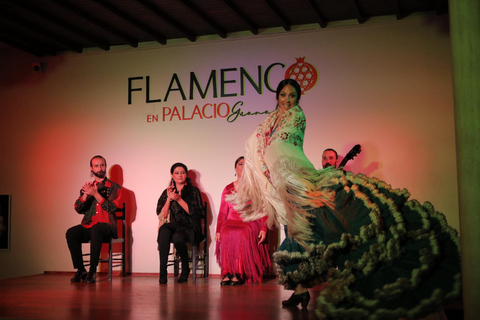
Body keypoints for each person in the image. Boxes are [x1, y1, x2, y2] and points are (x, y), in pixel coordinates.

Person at [227, 79, 461, 319]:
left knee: (320, 230)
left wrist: (288, 180)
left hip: (294, 178)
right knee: (295, 234)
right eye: (283, 95)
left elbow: (282, 146)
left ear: (298, 99)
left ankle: (360, 276)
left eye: (293, 96)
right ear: (277, 96)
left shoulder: (297, 116)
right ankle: (300, 290)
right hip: (282, 185)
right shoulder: (271, 119)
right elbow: (256, 143)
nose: (287, 100)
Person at [215, 156, 271, 285]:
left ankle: (239, 273)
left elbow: (263, 208)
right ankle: (228, 272)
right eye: (240, 164)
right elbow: (223, 212)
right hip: (231, 220)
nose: (243, 167)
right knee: (227, 231)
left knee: (242, 232)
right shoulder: (228, 188)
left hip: (249, 220)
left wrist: (264, 228)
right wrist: (218, 230)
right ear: (235, 168)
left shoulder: (256, 186)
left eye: (246, 165)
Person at [66, 155, 122, 284]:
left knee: (96, 229)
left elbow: (112, 208)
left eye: (102, 165)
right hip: (89, 225)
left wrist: (96, 194)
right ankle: (81, 270)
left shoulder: (115, 187)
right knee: (71, 232)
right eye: (96, 165)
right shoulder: (87, 187)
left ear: (105, 166)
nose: (100, 168)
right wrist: (86, 194)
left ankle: (92, 271)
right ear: (91, 168)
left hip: (107, 226)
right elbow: (78, 209)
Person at [156, 162, 204, 284]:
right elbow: (163, 215)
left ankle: (185, 268)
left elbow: (196, 214)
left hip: (190, 226)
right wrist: (169, 198)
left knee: (177, 237)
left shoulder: (193, 191)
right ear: (172, 175)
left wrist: (179, 199)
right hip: (174, 225)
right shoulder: (168, 191)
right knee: (164, 230)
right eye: (176, 173)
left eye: (182, 173)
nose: (180, 175)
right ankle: (163, 271)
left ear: (186, 175)